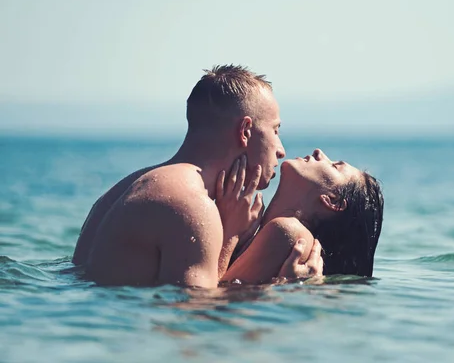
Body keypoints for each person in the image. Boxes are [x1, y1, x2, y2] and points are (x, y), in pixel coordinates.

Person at [72, 65, 323, 287]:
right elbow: (198, 322)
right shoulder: (192, 206)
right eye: (275, 130)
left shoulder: (125, 187)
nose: (281, 150)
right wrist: (280, 285)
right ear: (245, 131)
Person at [218, 148, 384, 284]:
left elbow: (209, 298)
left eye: (334, 166)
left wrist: (229, 234)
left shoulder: (288, 232)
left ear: (332, 201)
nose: (319, 152)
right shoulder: (279, 235)